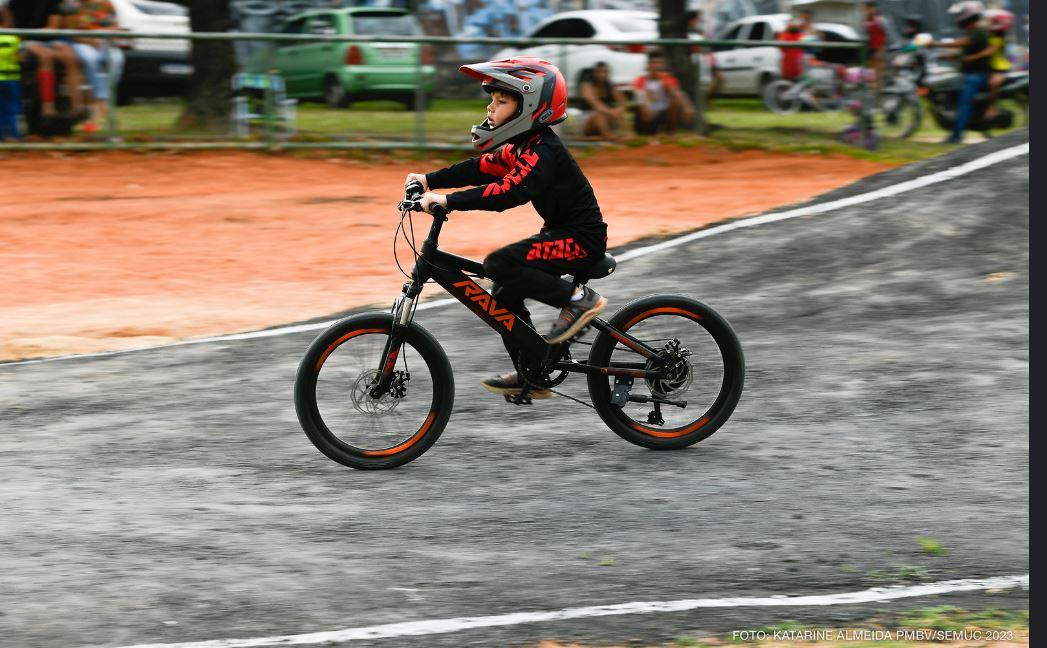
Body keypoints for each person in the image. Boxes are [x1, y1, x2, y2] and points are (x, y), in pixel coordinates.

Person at [404, 56, 609, 399]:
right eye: (492, 99)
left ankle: (578, 300)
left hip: (581, 240)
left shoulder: (543, 150)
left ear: (528, 107)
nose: (491, 106)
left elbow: (509, 192)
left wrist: (448, 201)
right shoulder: (522, 147)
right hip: (559, 236)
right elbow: (480, 168)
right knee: (503, 292)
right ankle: (534, 371)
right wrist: (428, 180)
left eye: (501, 101)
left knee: (499, 264)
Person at [926, 1, 994, 144]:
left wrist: (935, 44)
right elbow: (963, 52)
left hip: (977, 75)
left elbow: (962, 43)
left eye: (959, 16)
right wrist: (944, 56)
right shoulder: (971, 33)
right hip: (968, 73)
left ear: (966, 18)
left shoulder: (977, 33)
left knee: (964, 103)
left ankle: (957, 136)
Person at [8, 0, 85, 119]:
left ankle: (77, 107)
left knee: (70, 57)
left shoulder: (52, 2)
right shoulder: (14, 3)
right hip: (24, 40)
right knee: (45, 56)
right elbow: (12, 27)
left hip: (49, 39)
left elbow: (53, 27)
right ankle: (48, 108)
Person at [65, 0, 124, 134]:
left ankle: (99, 103)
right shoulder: (72, 5)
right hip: (82, 42)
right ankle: (102, 103)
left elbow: (115, 27)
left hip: (104, 41)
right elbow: (71, 31)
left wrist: (100, 35)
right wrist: (90, 39)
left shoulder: (106, 4)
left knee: (116, 59)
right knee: (90, 59)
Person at [631, 50, 694, 135]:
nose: (657, 66)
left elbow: (676, 92)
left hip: (662, 112)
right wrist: (646, 105)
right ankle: (646, 133)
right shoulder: (640, 80)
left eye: (660, 63)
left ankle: (670, 132)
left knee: (677, 101)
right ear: (648, 64)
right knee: (641, 101)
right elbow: (639, 94)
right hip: (646, 113)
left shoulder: (667, 78)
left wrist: (687, 106)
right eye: (654, 63)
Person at [577, 61, 627, 141]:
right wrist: (611, 112)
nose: (602, 75)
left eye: (605, 72)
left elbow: (623, 101)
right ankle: (608, 136)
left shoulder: (609, 85)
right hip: (587, 118)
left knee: (616, 112)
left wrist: (619, 109)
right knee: (600, 113)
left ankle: (624, 134)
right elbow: (595, 104)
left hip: (606, 116)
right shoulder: (587, 84)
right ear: (595, 73)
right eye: (600, 72)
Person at [685, 9, 722, 109]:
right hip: (698, 60)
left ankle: (705, 100)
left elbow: (706, 48)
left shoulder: (699, 31)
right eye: (697, 19)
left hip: (706, 59)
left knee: (718, 80)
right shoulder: (686, 32)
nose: (699, 21)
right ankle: (700, 102)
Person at [983, 9, 1014, 118]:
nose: (987, 23)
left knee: (993, 83)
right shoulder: (989, 35)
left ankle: (992, 107)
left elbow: (991, 50)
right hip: (989, 66)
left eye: (991, 22)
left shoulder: (999, 37)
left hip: (999, 67)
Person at [0, 2, 22, 140]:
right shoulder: (13, 38)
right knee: (12, 109)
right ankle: (15, 136)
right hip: (12, 80)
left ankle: (2, 136)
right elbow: (19, 57)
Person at [862, 1, 888, 91]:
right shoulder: (865, 20)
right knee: (870, 70)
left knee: (878, 71)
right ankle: (873, 88)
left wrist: (881, 49)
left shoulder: (880, 20)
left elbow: (887, 35)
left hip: (879, 48)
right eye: (865, 9)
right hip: (869, 48)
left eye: (868, 9)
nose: (866, 11)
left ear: (873, 9)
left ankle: (879, 89)